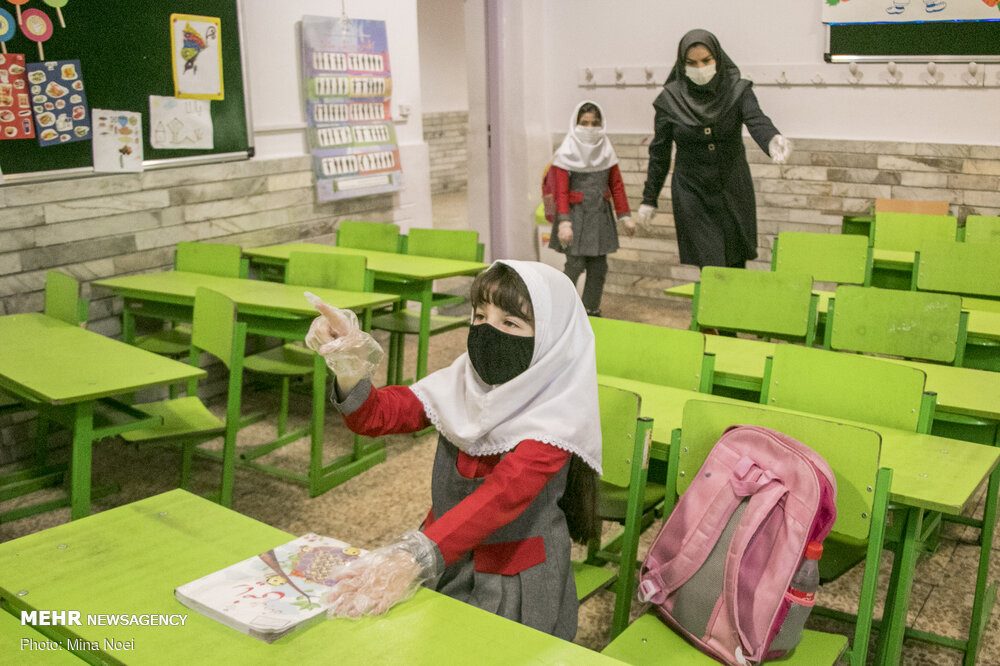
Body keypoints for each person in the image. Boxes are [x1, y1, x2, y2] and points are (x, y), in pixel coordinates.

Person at [304, 260, 602, 640]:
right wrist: (349, 364)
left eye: (510, 323)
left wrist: (414, 557)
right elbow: (376, 416)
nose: (488, 332)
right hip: (445, 559)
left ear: (550, 340)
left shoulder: (557, 415)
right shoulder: (463, 383)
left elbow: (503, 494)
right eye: (480, 316)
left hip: (513, 582)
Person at [636, 29, 792, 269]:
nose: (700, 68)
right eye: (691, 63)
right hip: (692, 190)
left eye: (706, 61)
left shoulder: (737, 90)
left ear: (718, 58)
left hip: (732, 184)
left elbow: (756, 119)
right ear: (682, 64)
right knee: (710, 263)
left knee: (735, 261)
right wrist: (649, 199)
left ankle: (735, 295)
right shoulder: (670, 100)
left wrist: (772, 139)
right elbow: (660, 153)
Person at [548, 101, 634, 317]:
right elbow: (561, 192)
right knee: (575, 265)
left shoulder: (606, 151)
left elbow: (616, 185)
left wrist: (624, 216)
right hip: (576, 218)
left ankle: (590, 310)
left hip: (600, 216)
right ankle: (560, 310)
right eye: (584, 123)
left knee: (598, 268)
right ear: (575, 123)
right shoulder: (566, 152)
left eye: (595, 123)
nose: (589, 128)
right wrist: (564, 221)